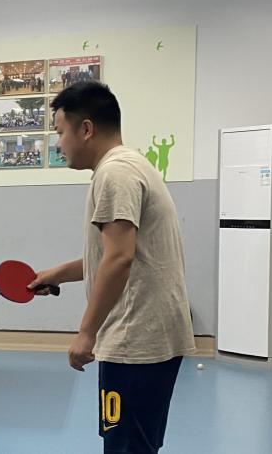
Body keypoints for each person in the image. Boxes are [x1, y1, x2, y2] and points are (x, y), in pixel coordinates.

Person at [29, 81, 194, 454]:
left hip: (134, 340)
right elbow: (117, 255)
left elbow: (120, 258)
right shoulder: (132, 165)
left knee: (125, 445)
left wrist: (86, 333)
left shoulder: (114, 175)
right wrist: (57, 274)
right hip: (152, 335)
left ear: (86, 129)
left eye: (60, 132)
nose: (58, 144)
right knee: (137, 444)